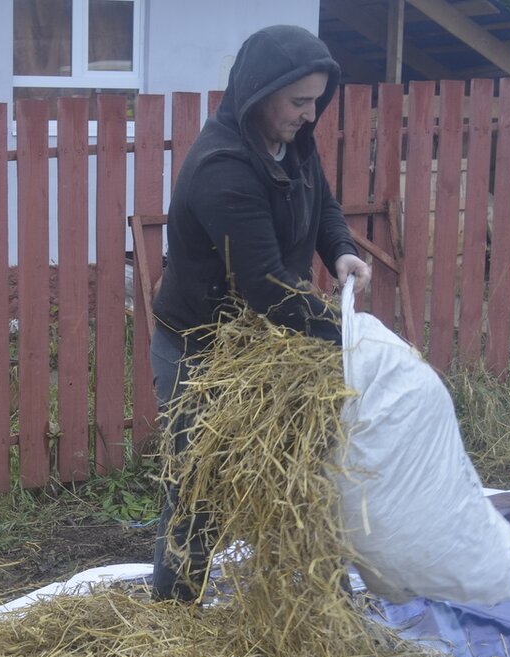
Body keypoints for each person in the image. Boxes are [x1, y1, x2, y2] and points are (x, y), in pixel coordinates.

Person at [149, 24, 372, 603]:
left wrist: (342, 249)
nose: (309, 114)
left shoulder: (293, 137)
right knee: (197, 482)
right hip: (203, 348)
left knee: (308, 475)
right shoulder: (223, 169)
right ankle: (175, 617)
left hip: (272, 342)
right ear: (259, 91)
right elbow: (269, 289)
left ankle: (324, 603)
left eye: (317, 101)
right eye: (299, 101)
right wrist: (351, 335)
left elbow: (320, 199)